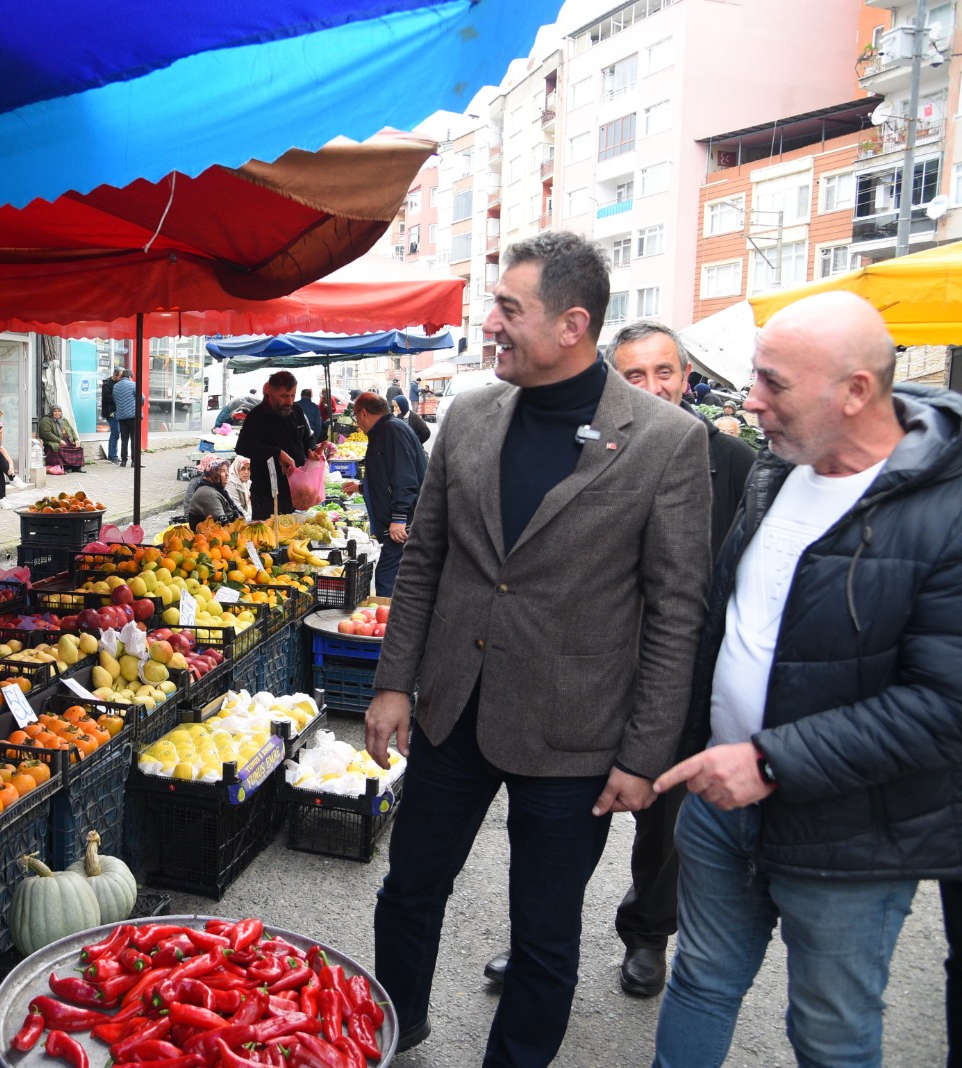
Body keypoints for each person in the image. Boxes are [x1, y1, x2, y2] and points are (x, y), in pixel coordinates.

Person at [364, 232, 711, 1065]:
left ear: (572, 324)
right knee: (408, 891)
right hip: (453, 709)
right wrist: (394, 683)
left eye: (509, 309)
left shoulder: (666, 441)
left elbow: (675, 611)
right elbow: (428, 563)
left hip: (576, 736)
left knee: (546, 935)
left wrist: (643, 753)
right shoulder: (471, 413)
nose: (491, 324)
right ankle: (391, 1029)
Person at [650, 292, 962, 1067]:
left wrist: (767, 761)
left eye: (774, 384)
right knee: (701, 981)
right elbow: (725, 628)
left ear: (856, 392)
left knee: (830, 1028)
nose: (750, 400)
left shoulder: (947, 511)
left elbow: (943, 705)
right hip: (720, 808)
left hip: (852, 835)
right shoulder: (776, 474)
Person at [482, 320, 757, 998]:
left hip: (683, 679)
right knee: (564, 830)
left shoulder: (737, 463)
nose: (653, 387)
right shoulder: (596, 446)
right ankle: (538, 944)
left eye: (664, 372)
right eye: (634, 376)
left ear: (687, 379)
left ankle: (646, 935)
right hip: (591, 676)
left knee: (662, 833)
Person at [339, 393, 425, 596]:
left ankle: (388, 623)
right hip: (401, 520)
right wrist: (361, 488)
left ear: (364, 412)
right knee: (396, 576)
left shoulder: (391, 430)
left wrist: (399, 518)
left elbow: (405, 478)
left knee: (386, 576)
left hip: (403, 523)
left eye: (357, 418)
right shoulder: (386, 429)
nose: (357, 424)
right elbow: (387, 478)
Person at [235, 370, 326, 519]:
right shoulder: (256, 416)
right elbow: (243, 447)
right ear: (270, 393)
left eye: (292, 396)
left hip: (297, 491)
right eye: (284, 396)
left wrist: (312, 450)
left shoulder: (296, 410)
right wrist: (276, 453)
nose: (289, 401)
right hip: (267, 495)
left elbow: (306, 437)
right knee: (269, 540)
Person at [185, 456, 244, 526]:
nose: (227, 474)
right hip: (210, 535)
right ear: (213, 474)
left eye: (227, 471)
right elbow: (224, 524)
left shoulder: (216, 488)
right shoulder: (209, 494)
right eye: (222, 471)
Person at [37, 404, 84, 472]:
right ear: (51, 412)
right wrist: (59, 441)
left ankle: (76, 467)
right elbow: (47, 434)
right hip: (53, 441)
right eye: (55, 411)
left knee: (78, 448)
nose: (57, 413)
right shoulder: (46, 421)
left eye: (59, 411)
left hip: (67, 440)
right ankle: (63, 467)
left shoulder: (63, 420)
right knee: (58, 449)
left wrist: (76, 439)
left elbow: (71, 430)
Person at [112, 369, 141, 467]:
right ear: (130, 376)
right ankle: (134, 461)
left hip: (121, 417)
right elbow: (141, 398)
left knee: (124, 439)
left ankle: (123, 461)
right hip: (133, 416)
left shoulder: (115, 386)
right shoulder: (134, 385)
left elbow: (114, 399)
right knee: (134, 438)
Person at [101, 368, 121, 461]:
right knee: (115, 433)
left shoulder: (119, 383)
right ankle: (113, 455)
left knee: (116, 433)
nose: (121, 378)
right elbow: (106, 398)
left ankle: (113, 454)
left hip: (118, 411)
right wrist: (117, 396)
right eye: (120, 376)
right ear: (115, 375)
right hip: (111, 411)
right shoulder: (107, 384)